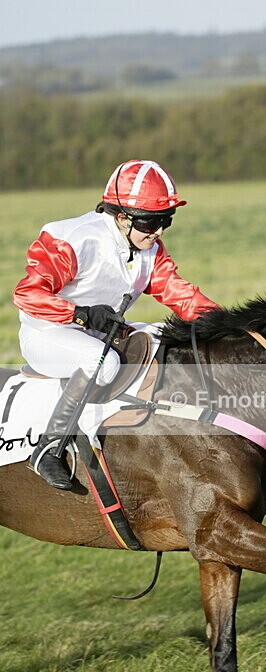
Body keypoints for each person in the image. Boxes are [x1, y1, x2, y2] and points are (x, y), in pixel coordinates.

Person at [13, 159, 219, 491]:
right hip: (47, 331)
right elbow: (27, 294)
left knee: (159, 338)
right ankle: (48, 448)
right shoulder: (73, 239)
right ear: (121, 217)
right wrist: (80, 314)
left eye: (166, 221)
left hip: (98, 329)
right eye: (151, 223)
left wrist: (229, 325)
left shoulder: (150, 249)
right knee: (101, 361)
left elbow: (179, 294)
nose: (159, 232)